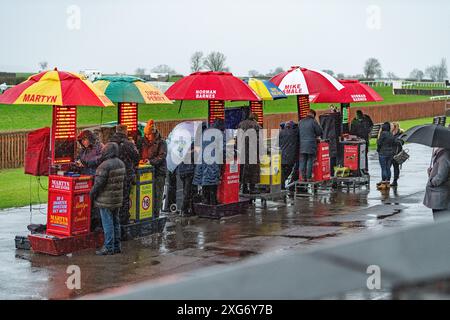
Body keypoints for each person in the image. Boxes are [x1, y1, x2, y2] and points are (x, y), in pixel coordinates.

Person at [90, 142, 126, 255]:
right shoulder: (121, 163)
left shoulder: (104, 165)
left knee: (108, 223)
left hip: (105, 200)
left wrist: (91, 194)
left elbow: (98, 184)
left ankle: (108, 247)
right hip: (117, 199)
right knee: (116, 222)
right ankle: (116, 246)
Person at [109, 125, 140, 224]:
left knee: (114, 199)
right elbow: (136, 157)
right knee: (125, 199)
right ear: (125, 132)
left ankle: (114, 221)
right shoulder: (128, 144)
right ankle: (123, 222)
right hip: (126, 174)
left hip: (113, 175)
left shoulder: (110, 143)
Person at [75, 130, 103, 231]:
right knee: (88, 203)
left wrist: (85, 163)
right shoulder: (83, 150)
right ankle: (89, 223)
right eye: (82, 140)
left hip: (96, 178)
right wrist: (77, 163)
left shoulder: (99, 147)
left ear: (90, 139)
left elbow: (100, 159)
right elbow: (78, 159)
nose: (83, 142)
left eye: (85, 140)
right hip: (86, 180)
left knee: (97, 203)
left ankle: (98, 225)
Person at [139, 119, 167, 217]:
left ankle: (155, 215)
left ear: (154, 133)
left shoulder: (162, 143)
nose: (147, 137)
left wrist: (149, 162)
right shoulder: (144, 142)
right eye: (146, 135)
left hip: (159, 173)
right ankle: (149, 215)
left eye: (149, 135)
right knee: (149, 195)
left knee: (157, 196)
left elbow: (161, 157)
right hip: (148, 173)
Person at [193, 119, 225, 205]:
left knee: (205, 181)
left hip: (202, 161)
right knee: (212, 182)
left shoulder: (205, 133)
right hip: (213, 162)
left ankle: (205, 201)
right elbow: (224, 149)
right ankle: (213, 202)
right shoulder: (219, 134)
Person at [423, 148, 450, 221]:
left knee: (440, 220)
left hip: (440, 196)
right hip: (438, 195)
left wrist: (432, 182)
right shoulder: (441, 153)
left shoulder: (445, 156)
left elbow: (441, 176)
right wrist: (431, 172)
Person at [238, 113, 261, 194]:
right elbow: (258, 140)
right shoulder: (256, 125)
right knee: (253, 170)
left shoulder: (241, 124)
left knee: (243, 169)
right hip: (252, 151)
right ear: (255, 118)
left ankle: (244, 187)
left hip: (242, 151)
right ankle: (252, 188)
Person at [298, 109, 323, 181]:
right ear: (313, 115)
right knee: (310, 160)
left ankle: (302, 177)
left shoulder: (300, 122)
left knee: (302, 160)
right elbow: (319, 132)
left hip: (302, 145)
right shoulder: (313, 122)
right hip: (311, 145)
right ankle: (309, 177)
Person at [177, 142, 197, 215]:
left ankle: (187, 209)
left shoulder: (182, 144)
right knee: (188, 191)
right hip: (189, 171)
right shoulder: (192, 145)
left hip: (182, 171)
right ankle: (184, 210)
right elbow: (193, 158)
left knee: (186, 191)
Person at [279, 120, 299, 189]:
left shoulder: (281, 132)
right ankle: (282, 185)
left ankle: (281, 185)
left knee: (283, 171)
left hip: (282, 155)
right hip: (290, 156)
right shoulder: (294, 132)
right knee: (288, 170)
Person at [376, 122, 395, 189]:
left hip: (383, 153)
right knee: (388, 168)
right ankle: (388, 182)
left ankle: (383, 182)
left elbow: (379, 143)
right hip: (390, 153)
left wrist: (378, 149)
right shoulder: (391, 134)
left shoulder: (383, 134)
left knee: (383, 168)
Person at [390, 122, 404, 187]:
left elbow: (401, 142)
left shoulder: (400, 133)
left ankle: (395, 181)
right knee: (388, 167)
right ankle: (386, 180)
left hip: (397, 153)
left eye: (392, 126)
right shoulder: (389, 133)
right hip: (389, 153)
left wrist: (395, 141)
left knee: (396, 167)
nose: (391, 127)